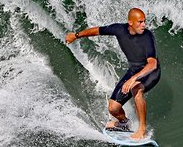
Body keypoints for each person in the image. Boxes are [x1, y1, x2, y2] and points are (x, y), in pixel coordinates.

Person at [65, 8, 160, 140]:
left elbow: (152, 64)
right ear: (130, 23)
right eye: (140, 22)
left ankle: (142, 130)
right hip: (133, 71)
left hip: (150, 73)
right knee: (113, 108)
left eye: (144, 21)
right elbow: (98, 30)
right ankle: (124, 123)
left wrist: (134, 79)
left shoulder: (147, 36)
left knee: (136, 90)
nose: (144, 25)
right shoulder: (119, 29)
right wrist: (76, 36)